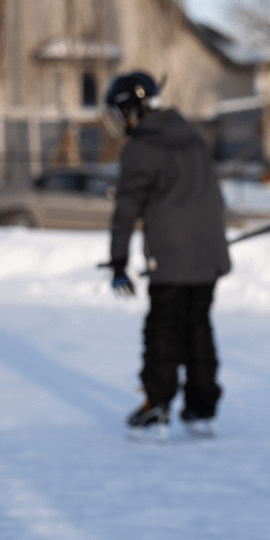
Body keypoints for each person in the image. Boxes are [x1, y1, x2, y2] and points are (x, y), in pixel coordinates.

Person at [103, 71, 230, 438]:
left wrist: (118, 262)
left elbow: (126, 209)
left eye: (118, 112)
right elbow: (210, 199)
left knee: (163, 330)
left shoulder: (141, 147)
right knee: (198, 327)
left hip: (171, 260)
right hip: (206, 257)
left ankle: (156, 405)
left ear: (132, 108)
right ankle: (201, 408)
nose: (118, 122)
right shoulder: (192, 137)